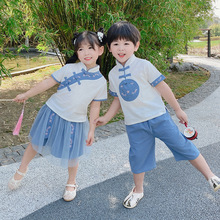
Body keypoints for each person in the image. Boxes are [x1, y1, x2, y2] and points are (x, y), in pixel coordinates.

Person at [95, 21, 220, 209]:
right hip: (135, 125)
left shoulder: (144, 65)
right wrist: (106, 118)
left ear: (136, 45)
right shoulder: (112, 74)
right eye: (116, 44)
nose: (121, 48)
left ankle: (210, 176)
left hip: (159, 118)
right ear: (109, 48)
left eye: (126, 43)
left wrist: (178, 109)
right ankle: (138, 190)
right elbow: (118, 100)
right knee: (137, 157)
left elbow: (163, 87)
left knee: (183, 145)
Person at [8, 29, 107, 202]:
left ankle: (71, 181)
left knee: (73, 153)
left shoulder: (100, 82)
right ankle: (21, 170)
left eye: (90, 48)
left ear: (100, 50)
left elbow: (95, 107)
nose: (85, 53)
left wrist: (91, 129)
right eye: (81, 49)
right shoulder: (68, 68)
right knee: (36, 142)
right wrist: (26, 95)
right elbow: (47, 82)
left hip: (75, 121)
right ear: (77, 52)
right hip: (52, 112)